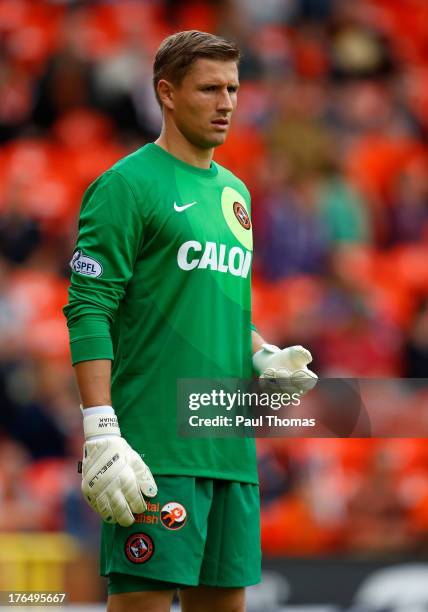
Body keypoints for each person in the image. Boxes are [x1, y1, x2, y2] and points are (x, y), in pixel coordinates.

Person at [64, 30, 316, 612]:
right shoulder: (126, 185)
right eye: (209, 89)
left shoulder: (237, 195)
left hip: (228, 444)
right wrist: (101, 428)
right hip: (157, 448)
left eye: (233, 87)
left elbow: (215, 305)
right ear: (167, 93)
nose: (227, 102)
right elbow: (89, 306)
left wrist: (260, 353)